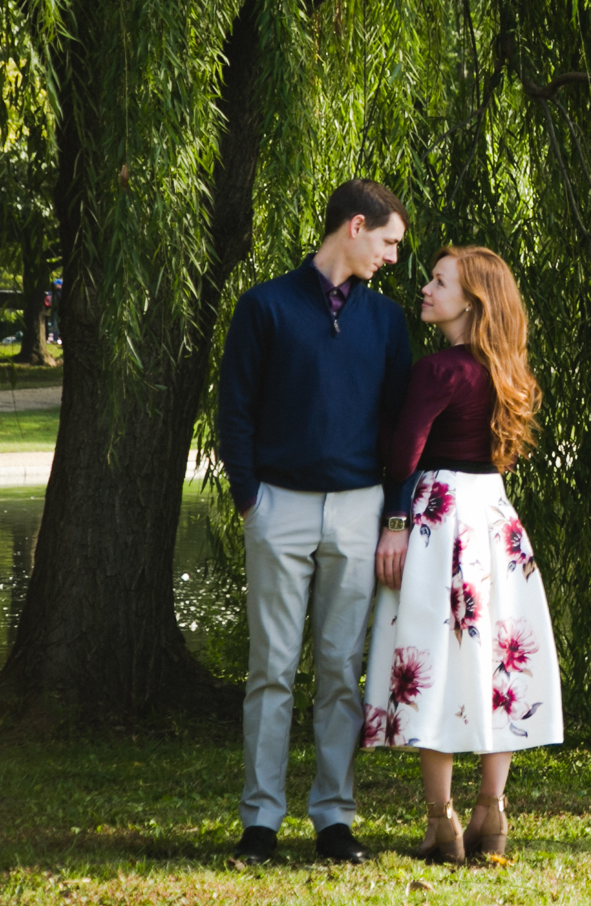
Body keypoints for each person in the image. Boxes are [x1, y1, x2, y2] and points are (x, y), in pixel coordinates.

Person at [214, 178, 413, 865]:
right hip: (279, 508)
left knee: (339, 667)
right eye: (388, 241)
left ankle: (334, 818)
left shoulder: (386, 321)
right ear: (355, 226)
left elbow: (400, 430)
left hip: (360, 509)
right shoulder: (264, 305)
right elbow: (233, 412)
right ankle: (260, 821)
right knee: (269, 667)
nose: (392, 257)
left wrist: (394, 513)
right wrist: (252, 502)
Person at [365, 245, 562, 863]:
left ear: (471, 302)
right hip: (493, 516)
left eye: (438, 281)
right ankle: (493, 811)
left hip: (440, 515)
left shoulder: (439, 370)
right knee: (495, 659)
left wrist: (393, 505)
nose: (424, 288)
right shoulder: (506, 368)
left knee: (436, 655)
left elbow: (403, 456)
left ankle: (441, 820)